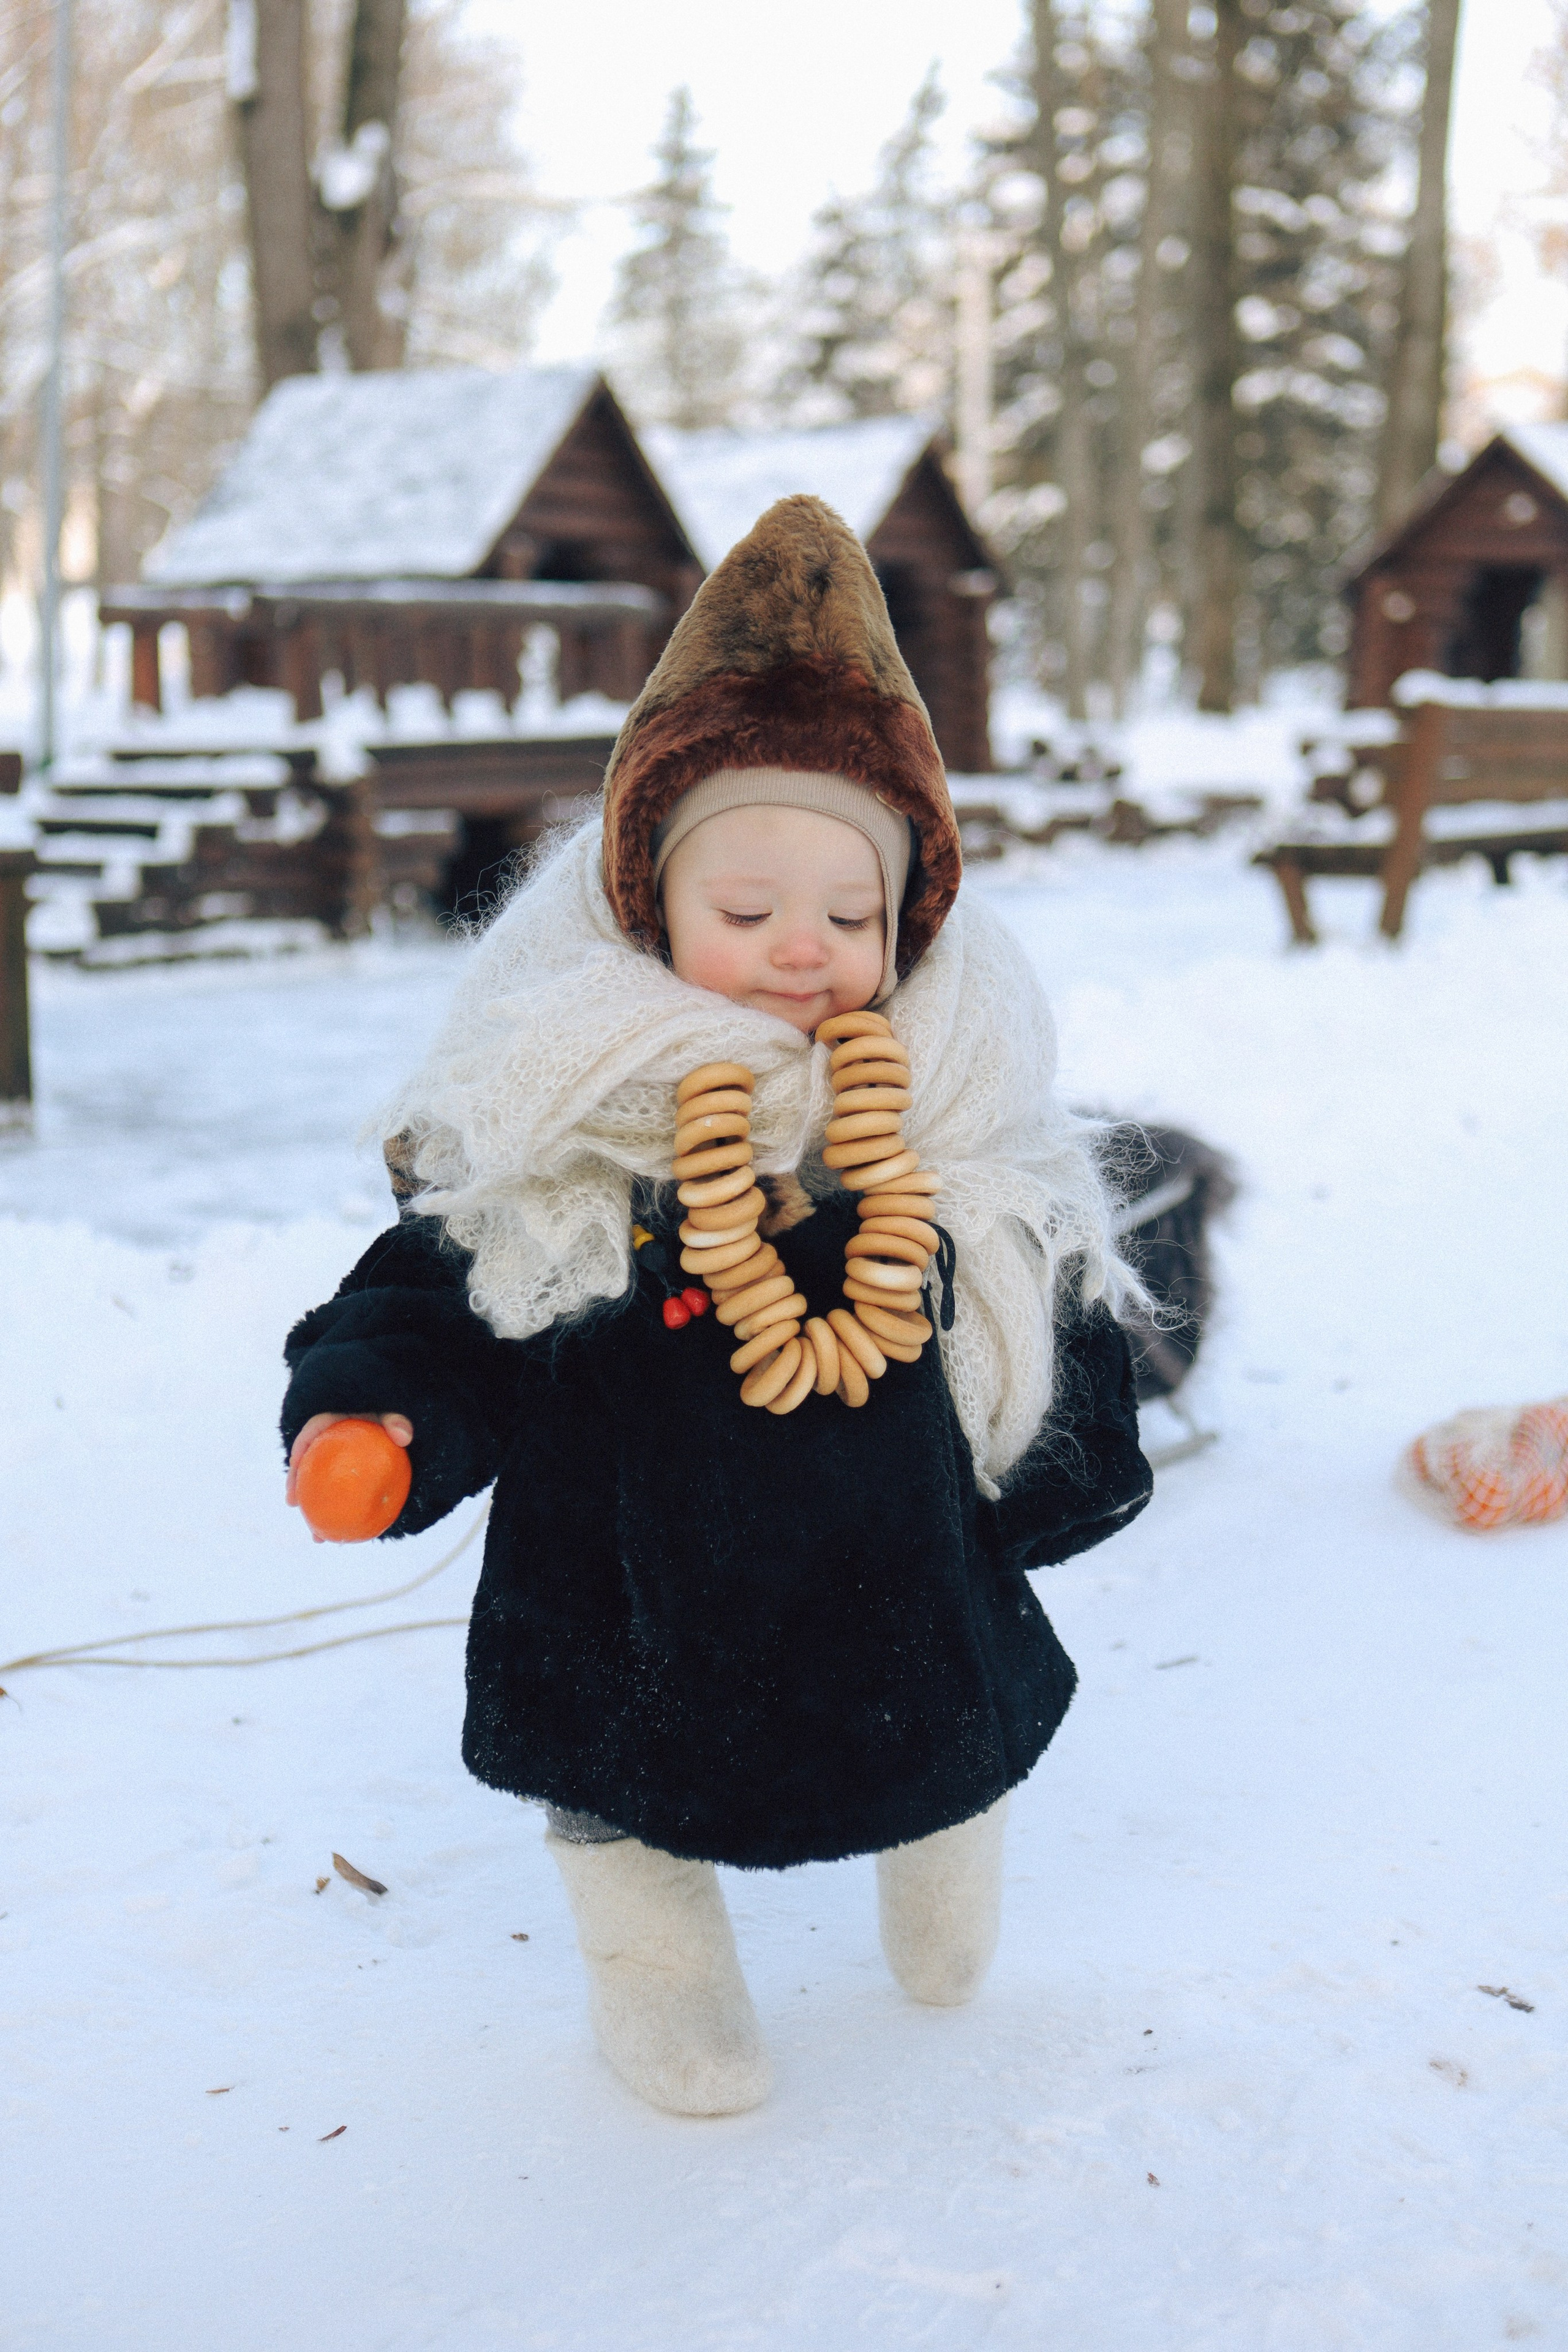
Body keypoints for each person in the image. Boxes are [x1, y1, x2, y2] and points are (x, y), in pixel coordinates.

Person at [280, 496, 1152, 2117]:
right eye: (747, 914)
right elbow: (451, 1277)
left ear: (909, 925)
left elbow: (1042, 1290)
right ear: (651, 906)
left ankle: (944, 1848)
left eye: (850, 916)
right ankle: (656, 1963)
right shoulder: (569, 1127)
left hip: (891, 1551)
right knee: (618, 1775)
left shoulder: (955, 1122)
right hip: (628, 1574)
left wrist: (1065, 1465)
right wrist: (382, 1412)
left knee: (938, 1714)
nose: (801, 951)